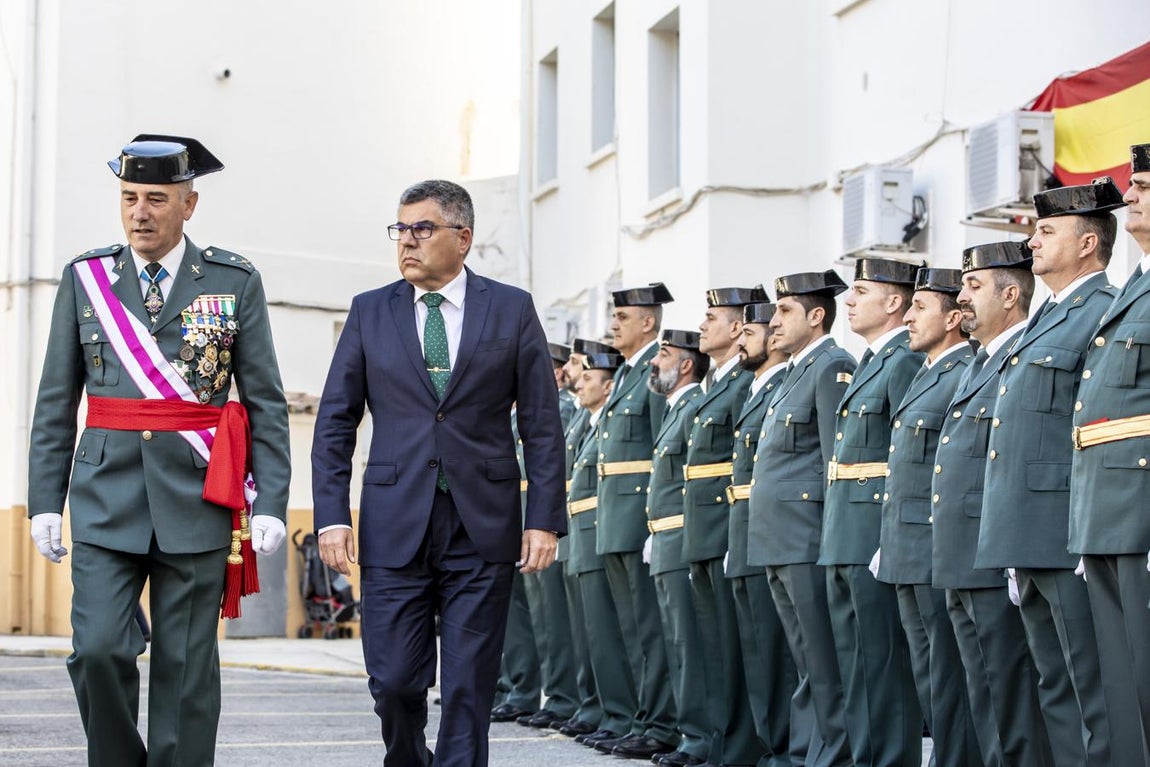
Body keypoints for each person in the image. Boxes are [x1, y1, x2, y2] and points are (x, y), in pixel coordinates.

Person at [27, 134, 291, 766]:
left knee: (186, 667)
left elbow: (265, 402)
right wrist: (44, 499)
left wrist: (272, 501)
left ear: (188, 205)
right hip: (103, 497)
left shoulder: (233, 281)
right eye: (128, 198)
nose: (139, 212)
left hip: (197, 498)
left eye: (154, 198)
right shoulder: (86, 278)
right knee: (98, 649)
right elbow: (56, 399)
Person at [310, 179, 566, 767]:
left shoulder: (511, 308)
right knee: (396, 680)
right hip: (394, 524)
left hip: (484, 526)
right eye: (399, 230)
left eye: (422, 229)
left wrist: (544, 519)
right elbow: (334, 423)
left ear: (463, 238)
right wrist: (330, 516)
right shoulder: (369, 311)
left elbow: (542, 425)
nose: (406, 242)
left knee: (468, 686)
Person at [976, 179, 1121, 766]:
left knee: (1092, 686)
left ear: (1088, 242)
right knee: (1053, 683)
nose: (1032, 241)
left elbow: (1099, 425)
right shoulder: (1045, 318)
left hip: (1067, 527)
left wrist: (1095, 526)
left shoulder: (1103, 310)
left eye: (1046, 231)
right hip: (1026, 527)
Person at [932, 241, 1052, 766]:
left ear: (1010, 295)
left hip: (992, 546)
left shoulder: (1021, 355)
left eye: (974, 286)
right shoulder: (979, 363)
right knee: (982, 688)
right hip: (962, 549)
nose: (961, 298)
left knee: (1009, 688)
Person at [748, 270, 855, 767]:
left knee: (822, 655)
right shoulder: (795, 370)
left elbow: (836, 460)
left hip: (806, 532)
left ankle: (831, 751)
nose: (773, 321)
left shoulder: (831, 365)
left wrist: (832, 536)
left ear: (816, 316)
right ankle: (809, 749)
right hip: (777, 533)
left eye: (785, 311)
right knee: (804, 656)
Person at [820, 258, 923, 767]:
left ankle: (888, 759)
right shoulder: (869, 361)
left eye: (860, 290)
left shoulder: (903, 359)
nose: (849, 300)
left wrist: (893, 534)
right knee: (854, 664)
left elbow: (909, 457)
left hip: (874, 529)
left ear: (894, 303)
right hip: (845, 529)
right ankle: (865, 757)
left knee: (881, 662)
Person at [876, 267, 980, 767]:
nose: (909, 318)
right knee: (927, 672)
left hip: (935, 542)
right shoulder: (926, 371)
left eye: (920, 308)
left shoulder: (963, 371)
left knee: (948, 673)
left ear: (955, 318)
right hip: (906, 542)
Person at [1070, 142, 1150, 764]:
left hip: (1142, 506)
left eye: (1146, 188)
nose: (1133, 198)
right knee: (1123, 682)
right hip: (1107, 509)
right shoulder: (1132, 291)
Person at [593, 283, 678, 755]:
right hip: (612, 515)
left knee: (649, 628)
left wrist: (653, 518)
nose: (613, 324)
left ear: (648, 322)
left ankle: (660, 723)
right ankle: (636, 717)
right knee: (629, 629)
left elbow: (660, 447)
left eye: (622, 317)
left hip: (637, 514)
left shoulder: (653, 372)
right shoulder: (626, 374)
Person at [682, 286, 765, 766]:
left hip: (724, 521)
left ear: (736, 329)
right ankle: (720, 741)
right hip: (702, 524)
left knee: (734, 649)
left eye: (711, 318)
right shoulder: (717, 383)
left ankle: (738, 747)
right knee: (713, 646)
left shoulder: (742, 385)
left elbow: (739, 464)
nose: (701, 326)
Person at [727, 301, 798, 767]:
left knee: (780, 653)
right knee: (755, 649)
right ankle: (771, 747)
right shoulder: (757, 391)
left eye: (749, 332)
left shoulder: (790, 382)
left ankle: (788, 747)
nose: (741, 341)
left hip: (782, 530)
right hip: (747, 528)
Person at [566, 344, 642, 746]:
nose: (579, 384)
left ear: (608, 385)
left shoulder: (599, 422)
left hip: (605, 527)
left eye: (588, 377)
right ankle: (605, 710)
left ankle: (621, 714)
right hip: (586, 530)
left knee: (614, 633)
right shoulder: (589, 422)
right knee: (591, 634)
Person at [643, 330, 710, 765]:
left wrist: (686, 540)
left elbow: (693, 482)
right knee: (676, 643)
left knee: (690, 644)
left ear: (686, 365)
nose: (655, 361)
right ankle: (690, 734)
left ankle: (699, 737)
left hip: (681, 537)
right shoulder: (674, 409)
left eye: (663, 354)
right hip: (665, 537)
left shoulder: (690, 408)